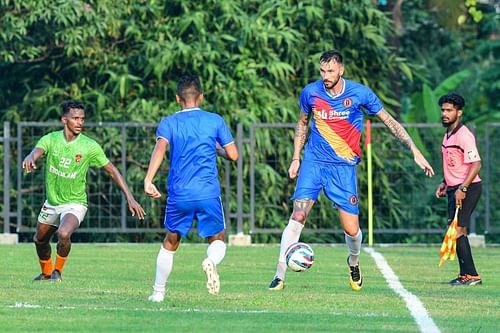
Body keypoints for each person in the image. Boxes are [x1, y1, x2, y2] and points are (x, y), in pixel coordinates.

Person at [268, 50, 435, 292]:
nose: (326, 76)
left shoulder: (359, 93)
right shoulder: (311, 92)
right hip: (314, 163)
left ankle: (353, 262)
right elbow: (302, 123)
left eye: (331, 71)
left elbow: (389, 121)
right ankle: (279, 275)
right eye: (323, 71)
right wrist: (296, 158)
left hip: (343, 168)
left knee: (352, 230)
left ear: (341, 70)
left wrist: (414, 150)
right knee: (298, 216)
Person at [22, 100, 145, 282]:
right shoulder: (51, 139)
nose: (80, 122)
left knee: (63, 233)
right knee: (39, 240)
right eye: (75, 118)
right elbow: (36, 151)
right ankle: (47, 273)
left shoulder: (89, 146)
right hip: (53, 202)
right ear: (64, 120)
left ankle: (58, 273)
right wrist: (30, 158)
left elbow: (112, 171)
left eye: (82, 119)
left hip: (75, 203)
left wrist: (130, 198)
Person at [144, 75, 238, 302]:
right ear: (201, 97)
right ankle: (211, 261)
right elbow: (233, 155)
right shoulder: (214, 120)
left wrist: (148, 180)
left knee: (171, 241)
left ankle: (158, 293)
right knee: (217, 238)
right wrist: (216, 148)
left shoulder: (169, 122)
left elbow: (159, 149)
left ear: (178, 99)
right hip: (208, 192)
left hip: (180, 193)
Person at [435, 93, 482, 286]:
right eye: (443, 110)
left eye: (449, 110)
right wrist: (445, 183)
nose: (445, 114)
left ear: (459, 113)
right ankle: (466, 275)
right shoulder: (448, 134)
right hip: (454, 188)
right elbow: (454, 165)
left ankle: (471, 275)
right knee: (455, 230)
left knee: (459, 230)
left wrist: (462, 188)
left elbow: (476, 164)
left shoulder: (464, 135)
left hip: (468, 188)